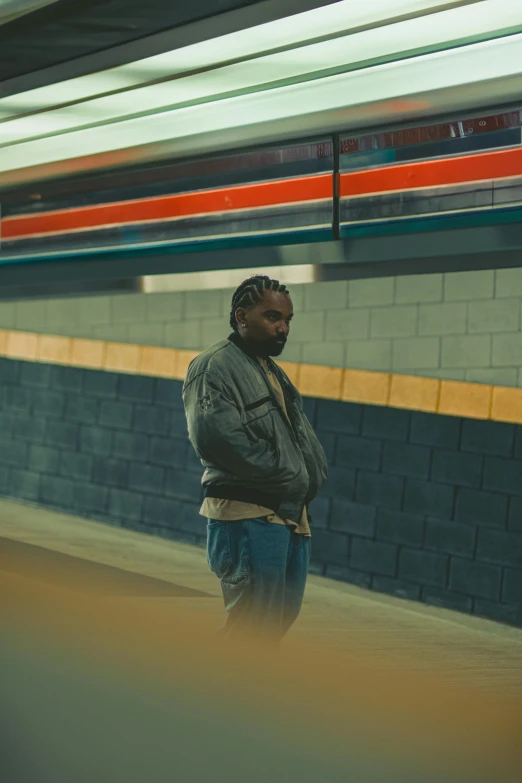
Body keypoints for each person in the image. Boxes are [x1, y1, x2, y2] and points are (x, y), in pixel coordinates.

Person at [182, 275, 328, 644]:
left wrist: (305, 479)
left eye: (287, 320)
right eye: (273, 317)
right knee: (251, 627)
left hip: (289, 515)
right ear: (242, 315)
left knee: (276, 622)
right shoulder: (214, 366)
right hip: (249, 516)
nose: (283, 328)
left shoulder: (270, 370)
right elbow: (217, 440)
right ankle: (202, 696)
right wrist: (287, 474)